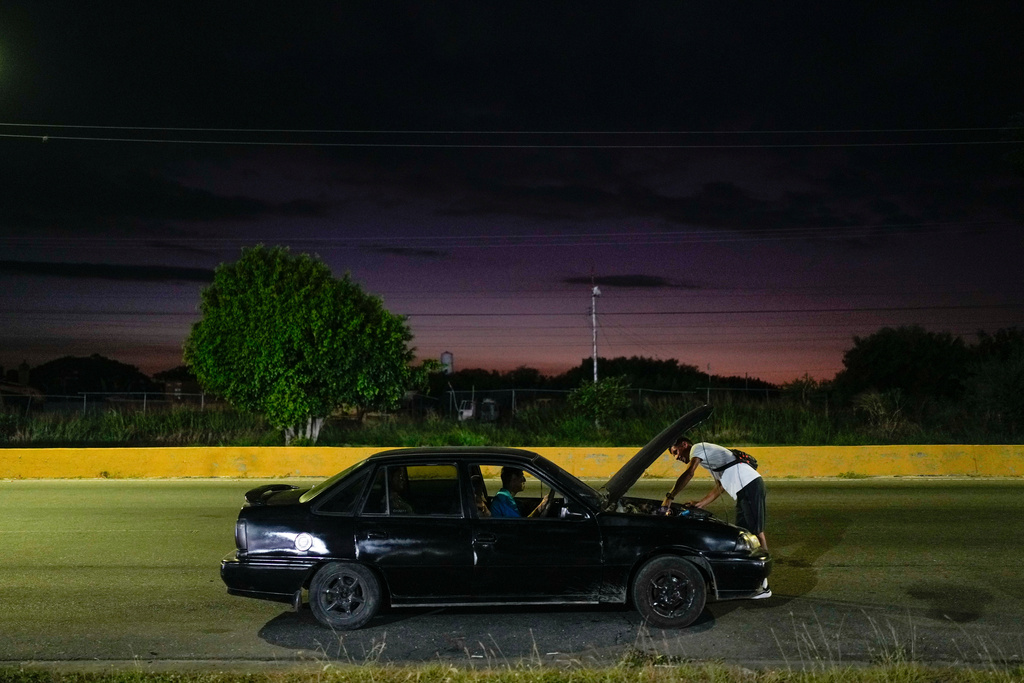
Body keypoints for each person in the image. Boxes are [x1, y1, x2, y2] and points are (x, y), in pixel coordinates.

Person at [662, 437, 771, 597]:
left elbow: (689, 473)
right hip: (744, 490)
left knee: (756, 533)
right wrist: (700, 504)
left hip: (750, 486)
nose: (677, 457)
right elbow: (720, 486)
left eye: (676, 452)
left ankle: (764, 585)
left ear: (684, 445)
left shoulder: (698, 448)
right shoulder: (710, 458)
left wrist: (670, 497)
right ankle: (753, 583)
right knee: (747, 534)